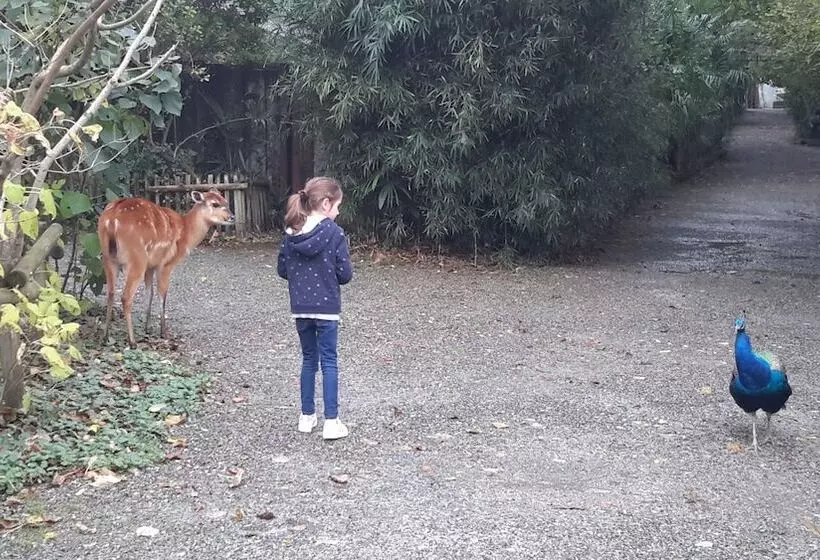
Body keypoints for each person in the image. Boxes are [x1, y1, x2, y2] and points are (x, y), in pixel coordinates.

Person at [277, 177, 354, 440]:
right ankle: (331, 421)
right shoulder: (334, 233)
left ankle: (306, 417)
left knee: (309, 359)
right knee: (329, 361)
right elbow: (345, 274)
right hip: (327, 308)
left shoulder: (291, 233)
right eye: (338, 206)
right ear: (325, 204)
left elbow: (282, 269)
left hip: (300, 308)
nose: (338, 212)